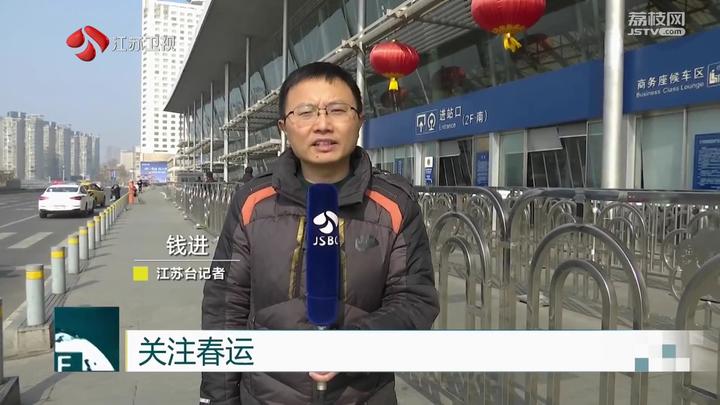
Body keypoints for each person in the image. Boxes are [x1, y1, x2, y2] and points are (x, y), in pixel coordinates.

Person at [200, 62, 439, 405]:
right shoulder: (252, 202)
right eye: (306, 112)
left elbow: (415, 301)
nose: (323, 124)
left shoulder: (394, 205)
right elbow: (224, 306)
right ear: (284, 126)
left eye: (338, 110)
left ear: (359, 120)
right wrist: (218, 398)